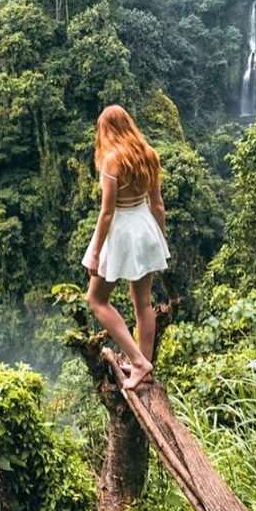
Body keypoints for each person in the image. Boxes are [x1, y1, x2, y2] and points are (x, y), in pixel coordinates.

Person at [81, 104, 170, 391]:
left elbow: (107, 213)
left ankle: (138, 361)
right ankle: (143, 362)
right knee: (142, 303)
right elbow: (157, 204)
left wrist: (95, 250)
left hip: (122, 231)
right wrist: (160, 237)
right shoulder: (148, 154)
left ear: (105, 130)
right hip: (145, 227)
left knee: (96, 299)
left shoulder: (111, 161)